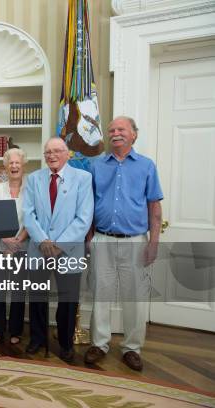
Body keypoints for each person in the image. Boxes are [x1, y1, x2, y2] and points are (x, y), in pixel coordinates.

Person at [85, 116, 163, 371]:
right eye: (111, 130)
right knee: (100, 294)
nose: (115, 133)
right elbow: (88, 205)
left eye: (121, 129)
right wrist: (89, 238)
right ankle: (99, 343)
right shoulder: (96, 166)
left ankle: (132, 348)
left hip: (135, 242)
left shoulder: (147, 166)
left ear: (133, 135)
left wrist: (153, 243)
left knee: (135, 298)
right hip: (102, 240)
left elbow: (154, 207)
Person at [22, 137, 93, 363]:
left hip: (69, 251)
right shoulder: (34, 179)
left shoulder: (83, 178)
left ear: (67, 154)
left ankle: (66, 343)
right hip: (38, 249)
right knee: (37, 298)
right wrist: (43, 240)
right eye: (47, 152)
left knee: (68, 301)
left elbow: (84, 218)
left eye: (57, 151)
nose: (51, 155)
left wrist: (60, 245)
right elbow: (28, 214)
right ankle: (37, 339)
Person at [0, 148, 29, 344]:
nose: (14, 166)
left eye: (17, 162)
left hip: (23, 245)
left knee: (19, 289)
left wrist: (19, 239)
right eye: (10, 163)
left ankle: (15, 330)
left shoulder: (31, 188)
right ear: (5, 166)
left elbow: (32, 217)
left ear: (23, 165)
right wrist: (6, 240)